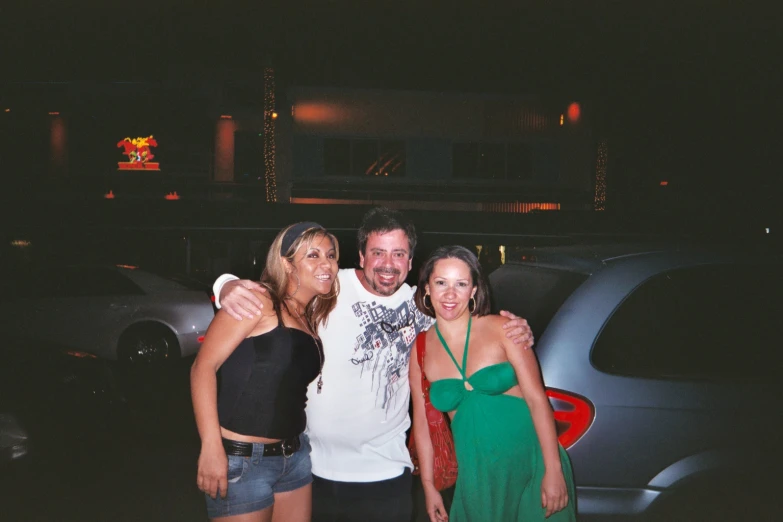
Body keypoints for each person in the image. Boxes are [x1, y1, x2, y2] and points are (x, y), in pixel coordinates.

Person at [213, 207, 534, 522]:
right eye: (378, 253)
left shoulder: (422, 306)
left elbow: (468, 323)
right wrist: (224, 285)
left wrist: (517, 327)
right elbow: (271, 289)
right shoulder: (328, 286)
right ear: (362, 257)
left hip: (385, 472)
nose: (388, 264)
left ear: (410, 261)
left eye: (399, 254)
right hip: (311, 466)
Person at [411, 245, 576, 522]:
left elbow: (537, 400)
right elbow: (423, 427)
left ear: (473, 290)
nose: (450, 294)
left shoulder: (504, 328)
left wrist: (553, 469)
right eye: (441, 283)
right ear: (427, 288)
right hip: (477, 478)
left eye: (461, 284)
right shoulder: (420, 351)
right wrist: (429, 487)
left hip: (532, 465)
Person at [191, 222, 340, 522]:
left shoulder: (306, 314)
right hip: (243, 461)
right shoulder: (259, 302)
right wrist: (210, 447)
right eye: (313, 255)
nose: (327, 264)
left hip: (295, 457)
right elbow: (202, 367)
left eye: (332, 255)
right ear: (287, 263)